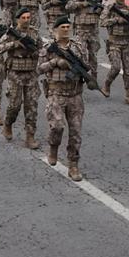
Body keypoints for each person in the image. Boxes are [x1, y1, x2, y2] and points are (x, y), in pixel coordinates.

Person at [40, 17, 90, 181]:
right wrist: (55, 62)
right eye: (63, 26)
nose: (66, 29)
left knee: (76, 132)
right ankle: (53, 147)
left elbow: (86, 65)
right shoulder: (48, 48)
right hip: (56, 94)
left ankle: (73, 165)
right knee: (57, 126)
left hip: (75, 95)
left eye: (69, 26)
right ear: (56, 29)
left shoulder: (78, 47)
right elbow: (38, 69)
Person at [0, 8, 42, 149]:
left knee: (32, 107)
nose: (26, 20)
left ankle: (30, 136)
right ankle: (8, 123)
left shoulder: (34, 33)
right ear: (18, 19)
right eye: (23, 17)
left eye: (28, 17)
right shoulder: (11, 34)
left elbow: (42, 50)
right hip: (15, 74)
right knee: (14, 105)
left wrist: (37, 53)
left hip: (31, 74)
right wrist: (13, 44)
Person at [101, 0, 129, 104]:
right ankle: (107, 84)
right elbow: (102, 22)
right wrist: (116, 20)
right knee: (115, 67)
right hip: (114, 42)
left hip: (127, 43)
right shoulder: (110, 8)